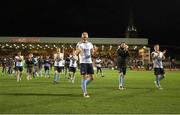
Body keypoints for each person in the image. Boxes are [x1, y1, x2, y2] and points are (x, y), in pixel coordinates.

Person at [76, 32, 98, 98]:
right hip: (83, 62)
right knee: (84, 77)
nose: (85, 36)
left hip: (89, 62)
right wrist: (78, 51)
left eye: (86, 35)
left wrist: (95, 51)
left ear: (87, 36)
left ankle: (83, 85)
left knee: (92, 78)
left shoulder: (90, 44)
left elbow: (93, 54)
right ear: (81, 36)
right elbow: (76, 53)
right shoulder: (79, 44)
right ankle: (85, 93)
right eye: (83, 35)